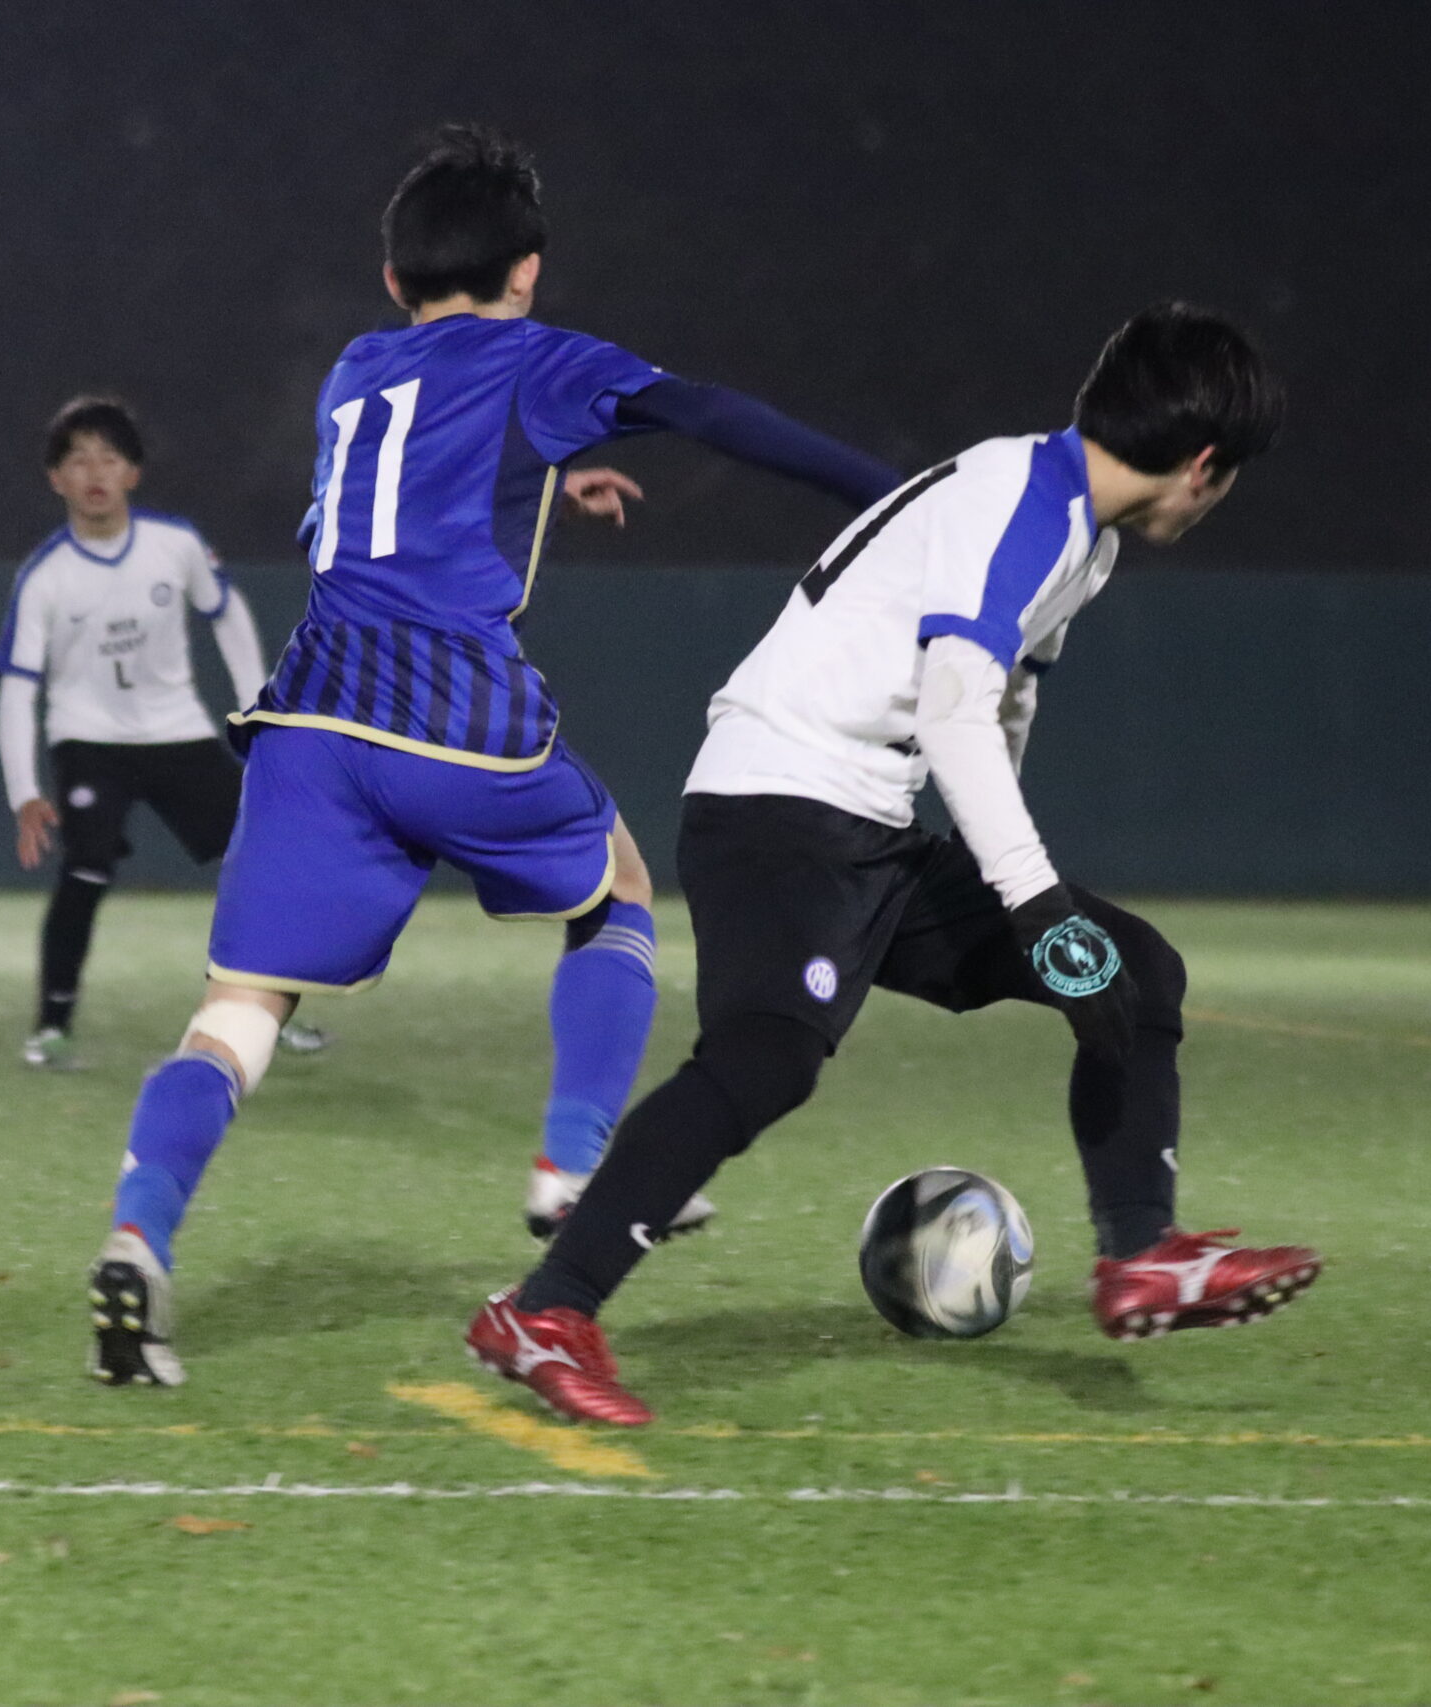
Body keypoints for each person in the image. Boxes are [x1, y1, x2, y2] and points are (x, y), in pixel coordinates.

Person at [84, 125, 901, 1387]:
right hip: (449, 705)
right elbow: (707, 413)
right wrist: (889, 494)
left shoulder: (355, 370)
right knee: (617, 887)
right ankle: (574, 1160)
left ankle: (137, 1240)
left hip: (313, 723)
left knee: (236, 1014)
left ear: (393, 278)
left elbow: (363, 512)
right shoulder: (538, 357)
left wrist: (541, 482)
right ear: (527, 271)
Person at [468, 304, 1324, 1427]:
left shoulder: (1079, 531)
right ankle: (547, 1307)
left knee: (1132, 970)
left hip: (863, 823)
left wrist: (1010, 893)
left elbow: (1005, 704)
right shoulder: (1029, 504)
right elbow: (956, 708)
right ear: (1205, 465)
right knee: (764, 1059)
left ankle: (1141, 1254)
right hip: (779, 805)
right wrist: (1035, 904)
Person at [0, 396, 330, 1068]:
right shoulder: (45, 577)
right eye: (77, 460)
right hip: (88, 740)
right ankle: (52, 1025)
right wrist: (24, 790)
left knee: (258, 859)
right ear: (56, 479)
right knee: (86, 865)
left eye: (109, 458)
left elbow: (226, 613)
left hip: (178, 733)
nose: (95, 472)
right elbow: (18, 686)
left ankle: (267, 1012)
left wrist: (257, 711)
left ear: (133, 473)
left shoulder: (174, 545)